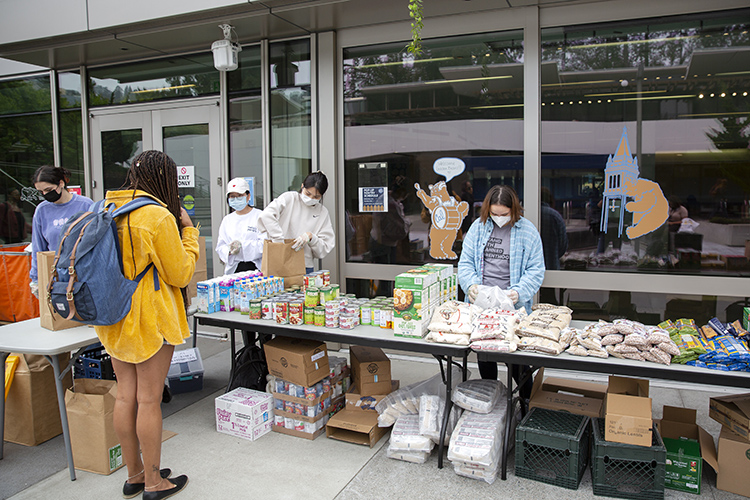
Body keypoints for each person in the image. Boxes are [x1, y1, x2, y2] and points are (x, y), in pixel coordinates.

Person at [94, 150, 197, 500]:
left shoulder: (106, 208)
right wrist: (190, 232)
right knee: (149, 400)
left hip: (112, 316)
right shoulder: (156, 216)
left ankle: (135, 474)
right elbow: (180, 272)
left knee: (125, 397)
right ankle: (155, 483)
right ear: (164, 179)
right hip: (149, 317)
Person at [457, 185, 545, 399]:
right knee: (485, 359)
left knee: (518, 365)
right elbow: (465, 263)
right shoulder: (478, 228)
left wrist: (519, 292)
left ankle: (526, 406)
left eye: (504, 214)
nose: (498, 218)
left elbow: (536, 269)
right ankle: (493, 402)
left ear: (514, 210)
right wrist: (471, 286)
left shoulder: (527, 231)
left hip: (513, 307)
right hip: (483, 307)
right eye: (494, 214)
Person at [28, 166, 93, 298]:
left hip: (84, 273)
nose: (45, 195)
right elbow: (38, 247)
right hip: (56, 276)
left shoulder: (85, 205)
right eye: (41, 192)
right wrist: (35, 278)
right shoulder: (42, 210)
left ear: (61, 183)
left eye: (48, 190)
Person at [257, 171, 335, 274]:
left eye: (316, 197)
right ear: (302, 186)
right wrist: (279, 240)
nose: (311, 198)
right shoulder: (289, 198)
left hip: (304, 265)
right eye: (308, 193)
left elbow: (325, 247)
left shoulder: (322, 212)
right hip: (278, 260)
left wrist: (311, 237)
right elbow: (266, 215)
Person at [215, 177, 263, 274]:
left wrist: (243, 247)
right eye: (232, 196)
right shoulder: (227, 220)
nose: (236, 199)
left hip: (256, 267)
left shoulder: (260, 216)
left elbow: (264, 244)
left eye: (240, 195)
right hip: (234, 269)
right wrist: (229, 250)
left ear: (248, 196)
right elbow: (220, 247)